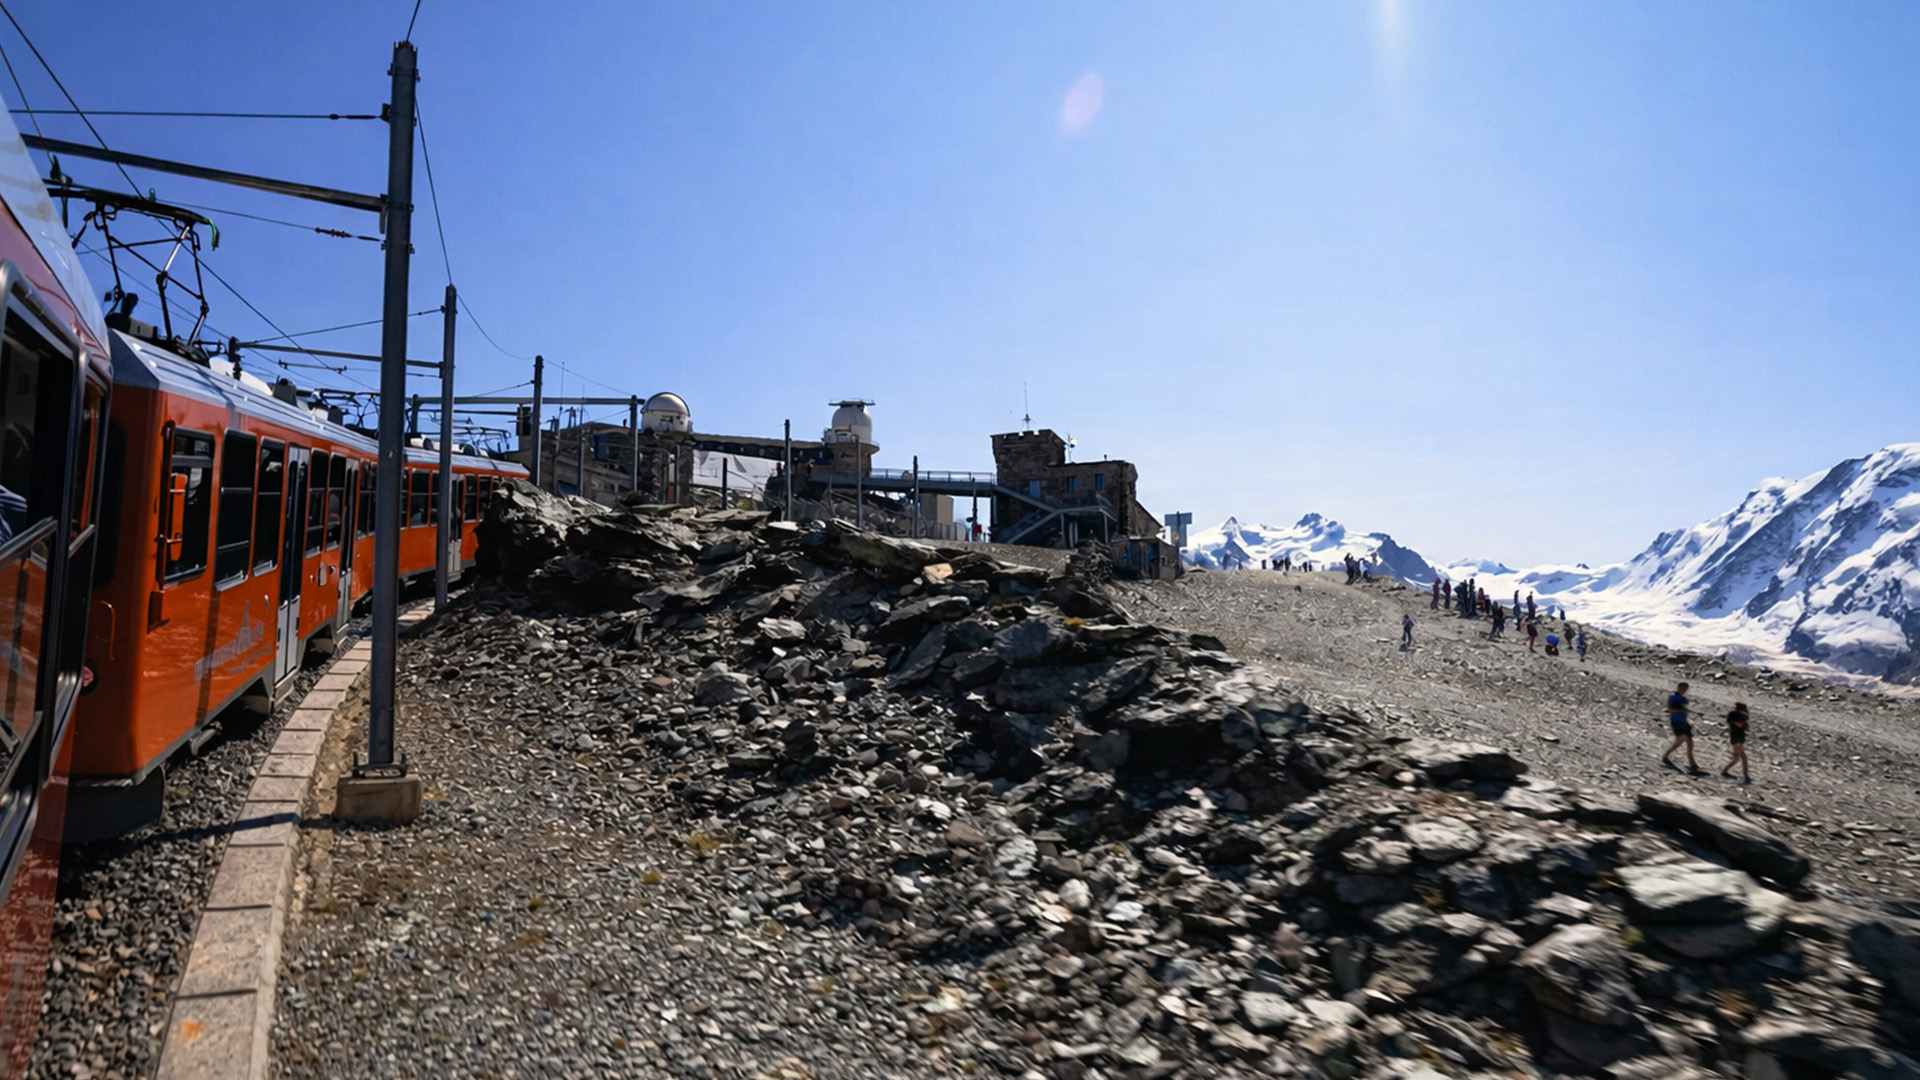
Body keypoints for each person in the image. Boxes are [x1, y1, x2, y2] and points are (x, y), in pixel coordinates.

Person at [1661, 682, 1702, 773]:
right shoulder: (1673, 697)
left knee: (1685, 742)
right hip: (1676, 721)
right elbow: (1670, 709)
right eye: (1683, 688)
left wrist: (1694, 713)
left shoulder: (1682, 698)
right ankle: (1692, 764)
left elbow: (1684, 708)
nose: (1684, 691)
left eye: (1686, 689)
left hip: (1683, 721)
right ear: (1679, 687)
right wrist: (1681, 711)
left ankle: (1666, 756)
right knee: (1685, 739)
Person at [1721, 702, 1751, 783]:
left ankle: (1725, 771)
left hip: (1738, 739)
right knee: (1743, 758)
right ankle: (1746, 775)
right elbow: (1740, 725)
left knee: (1736, 758)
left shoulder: (1734, 717)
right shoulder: (1735, 718)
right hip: (1736, 740)